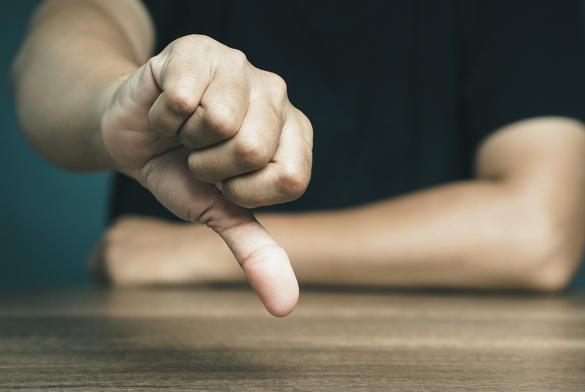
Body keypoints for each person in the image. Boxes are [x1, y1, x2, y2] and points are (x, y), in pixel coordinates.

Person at [12, 0, 585, 316]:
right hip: (167, 347)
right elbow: (65, 34)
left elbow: (538, 231)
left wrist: (189, 255)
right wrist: (109, 103)